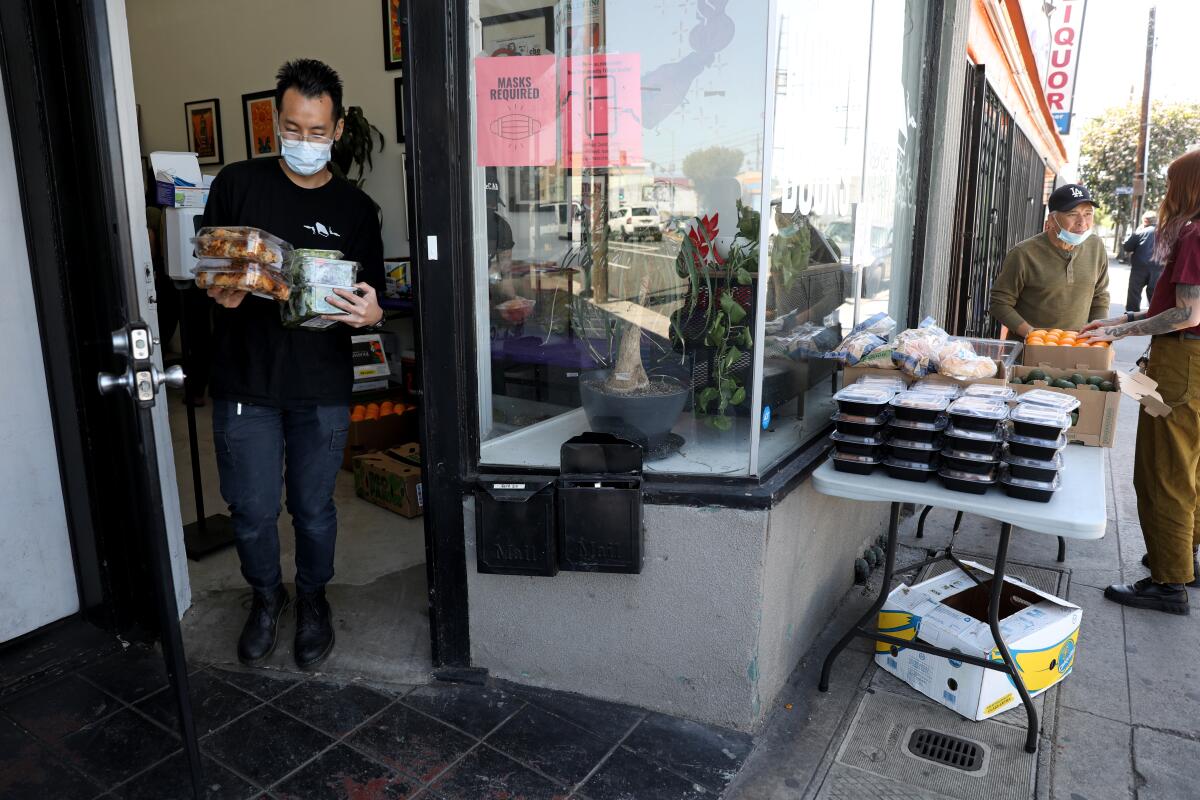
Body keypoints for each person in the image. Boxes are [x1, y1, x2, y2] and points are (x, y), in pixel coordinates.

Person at [201, 59, 385, 667]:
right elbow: (210, 266)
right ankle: (264, 597)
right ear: (276, 125)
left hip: (320, 386)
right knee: (252, 511)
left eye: (315, 131)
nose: (302, 142)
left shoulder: (356, 210)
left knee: (313, 509)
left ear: (336, 131)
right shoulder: (236, 184)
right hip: (244, 382)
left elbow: (373, 295)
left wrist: (370, 314)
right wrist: (219, 288)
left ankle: (312, 599)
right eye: (291, 127)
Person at [1079, 149, 1200, 614]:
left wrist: (1121, 329)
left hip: (1183, 364)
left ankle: (1168, 581)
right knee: (1189, 468)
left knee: (1162, 470)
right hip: (1192, 363)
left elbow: (1186, 315)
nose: (1168, 194)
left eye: (1173, 184)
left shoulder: (1193, 234)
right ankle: (1184, 560)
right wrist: (1125, 318)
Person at [989, 184, 1110, 336]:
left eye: (1088, 214)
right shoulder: (1024, 254)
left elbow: (1100, 296)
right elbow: (999, 303)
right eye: (1072, 214)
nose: (1082, 222)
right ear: (1052, 220)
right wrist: (1032, 335)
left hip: (1079, 348)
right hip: (1030, 350)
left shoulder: (1096, 246)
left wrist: (1099, 335)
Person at [1123, 212, 1163, 312]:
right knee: (1154, 295)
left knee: (1134, 294)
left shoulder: (1140, 232)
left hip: (1139, 268)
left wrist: (1136, 232)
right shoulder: (1165, 232)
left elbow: (1127, 247)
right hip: (1158, 268)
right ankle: (1155, 316)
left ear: (1145, 221)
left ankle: (1131, 317)